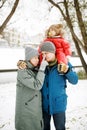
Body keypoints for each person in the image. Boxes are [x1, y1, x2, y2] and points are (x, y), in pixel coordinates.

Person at [39, 41, 78, 130]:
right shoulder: (41, 65)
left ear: (53, 52)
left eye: (46, 53)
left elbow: (75, 80)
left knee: (60, 128)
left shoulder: (64, 62)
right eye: (43, 53)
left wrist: (67, 71)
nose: (44, 56)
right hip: (44, 105)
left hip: (59, 105)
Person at [15, 46, 48, 130]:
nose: (37, 60)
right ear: (28, 59)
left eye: (37, 57)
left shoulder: (33, 69)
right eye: (34, 58)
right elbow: (37, 85)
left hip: (33, 108)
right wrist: (42, 68)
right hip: (26, 110)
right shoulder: (22, 71)